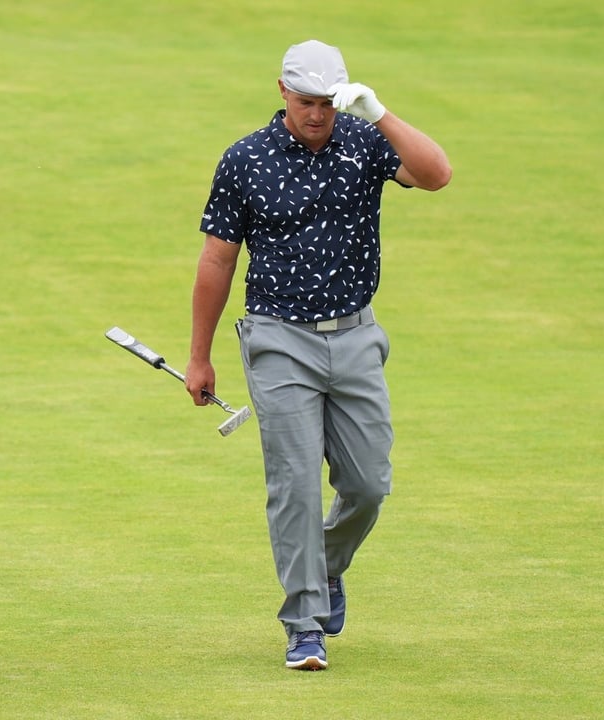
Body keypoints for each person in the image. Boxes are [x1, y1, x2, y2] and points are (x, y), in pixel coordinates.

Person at [185, 40, 451, 671]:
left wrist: (379, 112)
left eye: (327, 104)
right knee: (296, 487)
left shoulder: (363, 141)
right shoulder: (245, 160)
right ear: (282, 91)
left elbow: (436, 173)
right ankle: (303, 623)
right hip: (279, 339)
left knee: (367, 484)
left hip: (357, 337)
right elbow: (218, 259)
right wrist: (200, 357)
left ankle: (326, 568)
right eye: (305, 102)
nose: (316, 115)